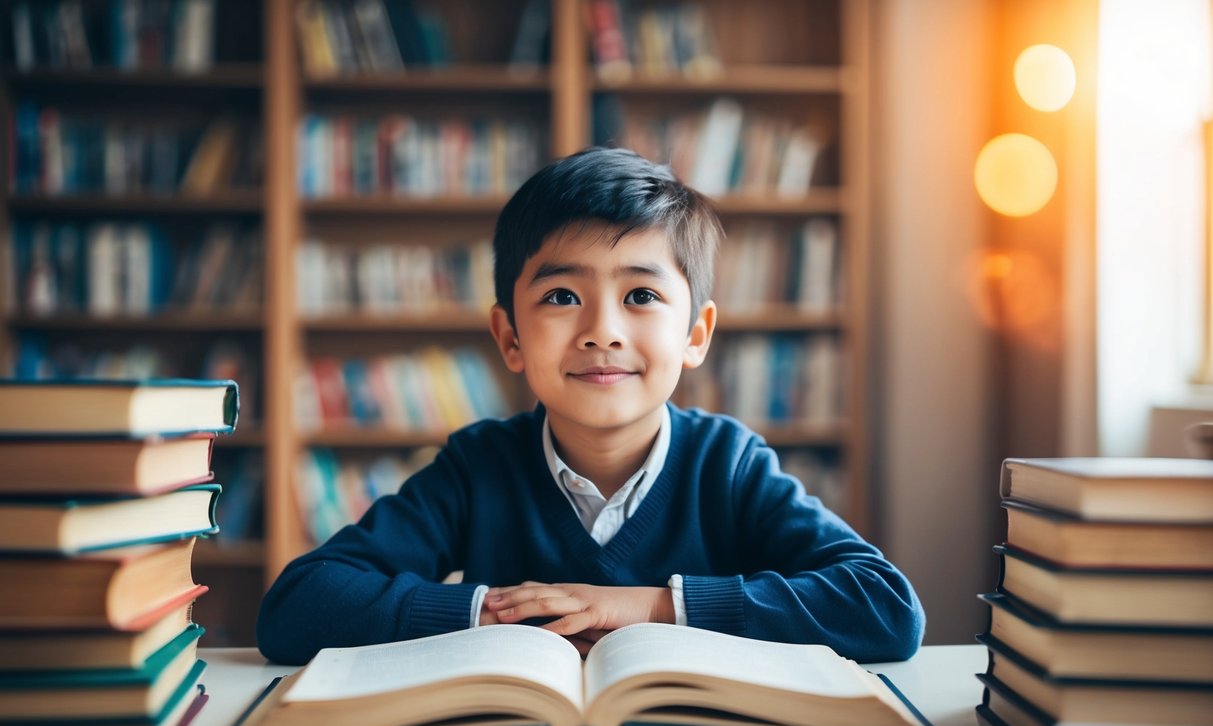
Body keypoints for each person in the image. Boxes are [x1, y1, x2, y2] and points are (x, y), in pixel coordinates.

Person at [257, 147, 925, 665]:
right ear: (509, 337)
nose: (602, 331)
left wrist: (648, 607)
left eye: (640, 296)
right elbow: (296, 608)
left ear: (694, 335)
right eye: (560, 297)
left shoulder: (727, 465)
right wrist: (496, 613)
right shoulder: (478, 466)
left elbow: (885, 609)